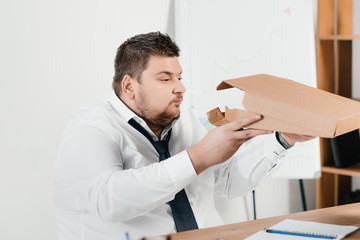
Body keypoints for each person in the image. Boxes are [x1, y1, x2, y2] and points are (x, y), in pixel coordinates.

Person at [55, 32, 313, 240]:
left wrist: (282, 140)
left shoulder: (184, 120)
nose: (181, 87)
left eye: (179, 77)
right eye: (165, 79)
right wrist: (197, 158)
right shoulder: (89, 130)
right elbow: (108, 202)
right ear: (129, 86)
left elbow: (226, 183)